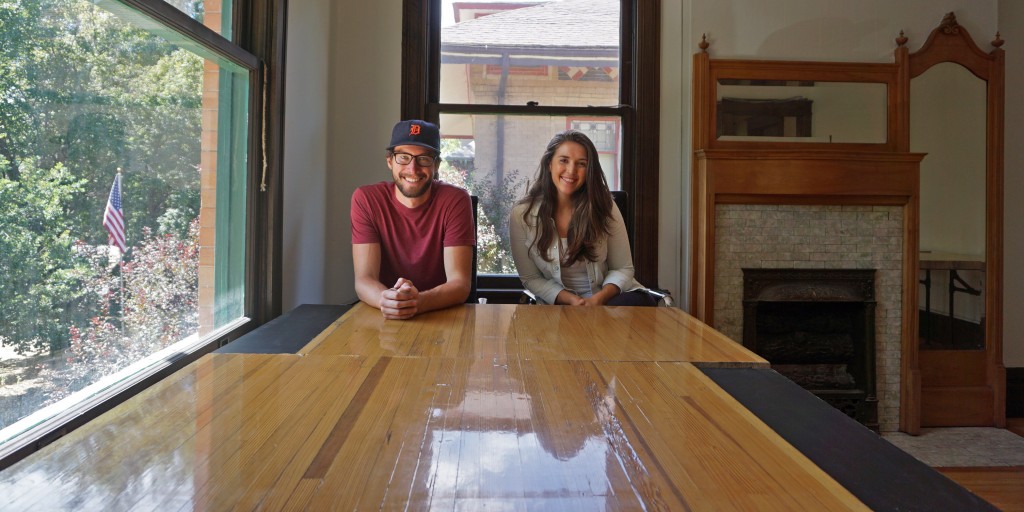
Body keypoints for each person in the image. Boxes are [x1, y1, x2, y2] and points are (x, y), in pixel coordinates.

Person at [509, 130, 655, 306]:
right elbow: (531, 278)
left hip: (608, 300)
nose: (571, 170)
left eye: (581, 164)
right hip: (558, 305)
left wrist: (597, 300)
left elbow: (623, 268)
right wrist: (571, 300)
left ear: (589, 169)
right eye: (563, 160)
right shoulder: (521, 214)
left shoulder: (605, 206)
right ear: (549, 164)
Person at [351, 119, 476, 319]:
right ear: (389, 161)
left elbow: (460, 284)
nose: (413, 169)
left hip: (441, 314)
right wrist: (387, 299)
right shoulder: (366, 199)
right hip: (384, 312)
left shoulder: (455, 200)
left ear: (436, 165)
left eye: (424, 158)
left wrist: (418, 301)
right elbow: (364, 280)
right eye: (403, 157)